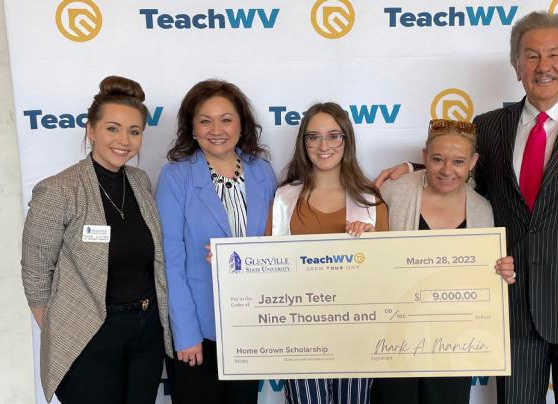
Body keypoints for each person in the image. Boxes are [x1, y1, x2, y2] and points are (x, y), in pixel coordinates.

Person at [374, 11, 558, 404]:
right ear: (516, 65)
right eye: (531, 56)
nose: (543, 66)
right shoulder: (489, 127)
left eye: (554, 54)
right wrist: (414, 167)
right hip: (511, 307)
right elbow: (462, 176)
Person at [21, 76, 173, 403]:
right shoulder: (59, 190)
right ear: (91, 130)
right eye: (113, 128)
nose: (124, 140)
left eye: (134, 132)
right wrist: (62, 330)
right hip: (89, 334)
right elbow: (35, 272)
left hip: (146, 331)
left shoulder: (140, 181)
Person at [371, 119, 515, 404]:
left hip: (453, 344)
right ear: (424, 156)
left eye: (459, 161)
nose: (447, 170)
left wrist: (500, 273)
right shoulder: (395, 191)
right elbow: (370, 257)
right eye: (437, 159)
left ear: (473, 162)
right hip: (394, 340)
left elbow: (482, 281)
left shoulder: (482, 209)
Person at [155, 79, 277, 404]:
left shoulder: (263, 172)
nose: (216, 129)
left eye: (226, 119)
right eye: (205, 120)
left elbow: (274, 244)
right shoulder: (175, 176)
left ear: (241, 124)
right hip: (199, 329)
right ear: (192, 128)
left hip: (250, 325)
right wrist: (185, 334)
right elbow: (170, 261)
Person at [266, 102, 388, 404]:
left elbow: (387, 277)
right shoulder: (284, 198)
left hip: (356, 332)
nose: (324, 146)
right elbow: (265, 267)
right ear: (303, 143)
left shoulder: (371, 203)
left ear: (346, 141)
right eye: (313, 137)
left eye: (334, 136)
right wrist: (228, 267)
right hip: (300, 332)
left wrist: (375, 249)